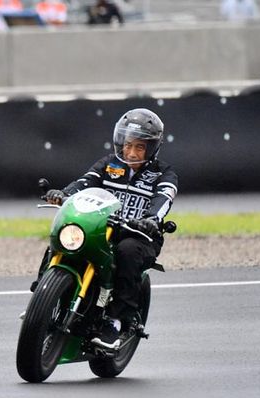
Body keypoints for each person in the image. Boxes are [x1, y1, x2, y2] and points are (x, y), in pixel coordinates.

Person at [40, 108, 177, 347]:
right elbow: (86, 181)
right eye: (128, 145)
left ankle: (115, 320)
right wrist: (63, 194)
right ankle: (42, 296)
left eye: (139, 147)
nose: (131, 152)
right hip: (103, 226)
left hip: (141, 234)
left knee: (127, 252)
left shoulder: (163, 173)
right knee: (68, 233)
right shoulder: (108, 164)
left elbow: (164, 198)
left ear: (152, 148)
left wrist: (151, 219)